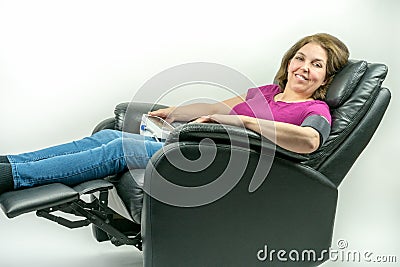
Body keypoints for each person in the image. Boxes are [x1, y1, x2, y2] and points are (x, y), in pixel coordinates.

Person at [0, 33, 349, 194]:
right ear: (289, 61)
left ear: (327, 77)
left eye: (316, 64)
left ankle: (14, 179)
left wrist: (244, 121)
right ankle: (11, 164)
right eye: (300, 58)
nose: (304, 68)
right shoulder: (266, 92)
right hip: (196, 142)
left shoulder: (314, 108)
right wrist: (173, 113)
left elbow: (311, 141)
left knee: (120, 148)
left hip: (219, 160)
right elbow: (215, 109)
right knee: (108, 136)